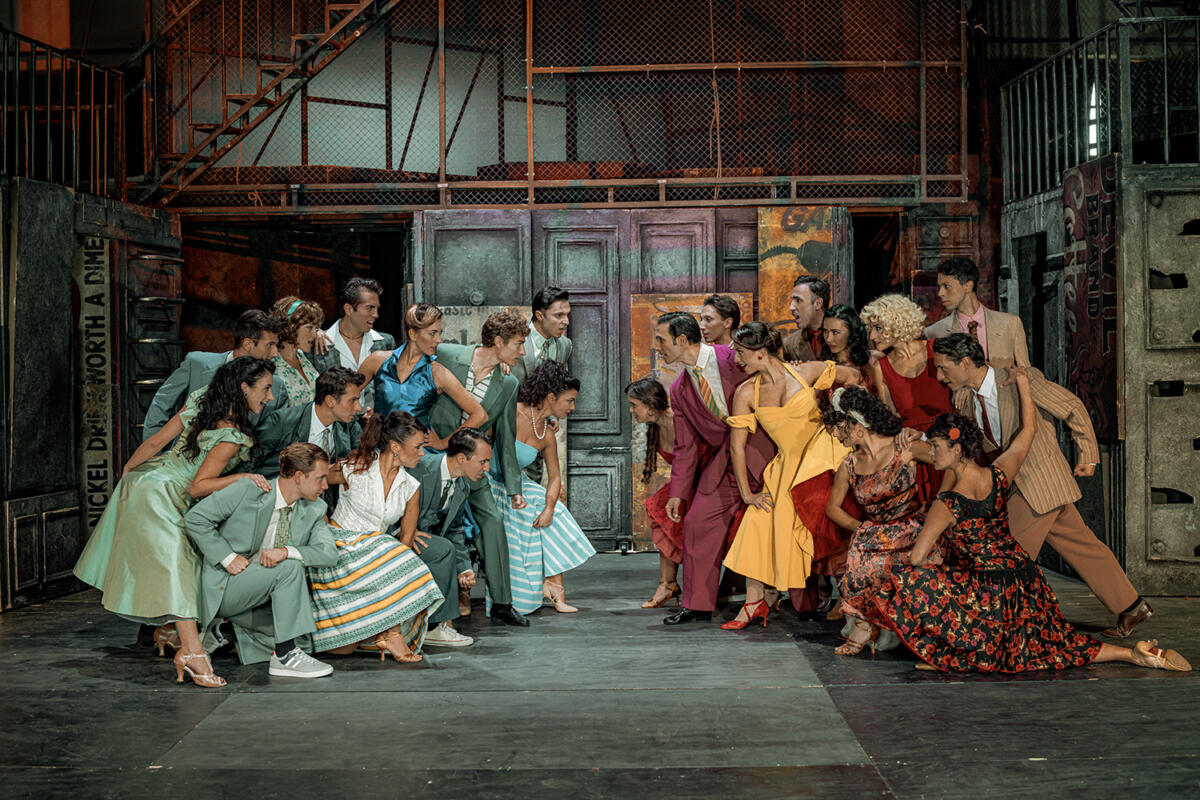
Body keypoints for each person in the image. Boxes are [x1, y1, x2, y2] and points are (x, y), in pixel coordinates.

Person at [865, 380, 1189, 674]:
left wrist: (946, 571)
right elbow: (1029, 431)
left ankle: (949, 654)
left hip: (988, 593)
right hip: (1028, 582)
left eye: (936, 446)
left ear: (957, 449)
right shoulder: (999, 474)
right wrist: (1023, 385)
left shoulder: (946, 503)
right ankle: (1132, 653)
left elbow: (918, 558)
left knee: (904, 579)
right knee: (1057, 643)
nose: (932, 454)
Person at [932, 333, 1154, 639]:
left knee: (1002, 552)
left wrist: (1088, 455)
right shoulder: (965, 400)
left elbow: (1072, 406)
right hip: (1021, 485)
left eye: (943, 368)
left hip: (1039, 479)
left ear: (966, 363)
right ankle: (1131, 606)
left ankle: (991, 625)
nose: (939, 376)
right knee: (1081, 545)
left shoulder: (1021, 379)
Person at [74, 357, 277, 688]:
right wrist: (242, 477)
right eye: (265, 389)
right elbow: (199, 486)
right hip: (164, 496)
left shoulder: (201, 401)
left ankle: (170, 633)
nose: (269, 397)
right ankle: (193, 652)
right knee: (181, 568)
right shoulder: (232, 438)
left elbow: (156, 442)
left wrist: (129, 474)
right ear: (244, 388)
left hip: (149, 482)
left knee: (186, 565)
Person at [721, 323, 854, 630]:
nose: (737, 359)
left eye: (740, 353)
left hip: (823, 457)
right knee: (757, 522)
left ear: (760, 352)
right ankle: (755, 602)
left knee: (828, 525)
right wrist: (747, 494)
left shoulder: (805, 371)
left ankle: (852, 602)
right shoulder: (745, 392)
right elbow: (736, 447)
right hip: (787, 467)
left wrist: (841, 415)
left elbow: (853, 377)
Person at [653, 312, 773, 625]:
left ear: (681, 340)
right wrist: (677, 493)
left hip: (768, 453)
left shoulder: (734, 357)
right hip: (726, 463)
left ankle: (805, 604)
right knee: (697, 521)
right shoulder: (679, 390)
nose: (657, 347)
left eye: (661, 340)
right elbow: (686, 447)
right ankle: (697, 605)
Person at [185, 442, 339, 678]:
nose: (325, 486)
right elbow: (196, 518)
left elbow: (329, 553)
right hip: (228, 585)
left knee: (304, 639)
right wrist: (227, 557)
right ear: (299, 476)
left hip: (264, 596)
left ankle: (227, 632)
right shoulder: (248, 490)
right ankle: (284, 656)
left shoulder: (314, 508)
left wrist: (286, 551)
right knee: (289, 569)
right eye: (320, 478)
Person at [309, 411, 450, 661]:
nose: (422, 453)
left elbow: (405, 542)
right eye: (417, 447)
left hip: (374, 559)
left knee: (399, 553)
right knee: (340, 649)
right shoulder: (355, 467)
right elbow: (310, 481)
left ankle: (388, 631)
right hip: (340, 548)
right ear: (395, 447)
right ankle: (389, 634)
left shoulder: (411, 487)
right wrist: (320, 519)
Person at [821, 386, 942, 655]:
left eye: (840, 428)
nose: (837, 435)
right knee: (861, 546)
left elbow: (951, 461)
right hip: (876, 534)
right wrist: (862, 528)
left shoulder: (903, 448)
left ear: (857, 424)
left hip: (912, 529)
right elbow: (833, 508)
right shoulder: (849, 465)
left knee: (877, 552)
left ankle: (882, 627)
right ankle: (865, 624)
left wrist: (943, 505)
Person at [428, 311, 525, 618]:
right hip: (432, 458)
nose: (523, 351)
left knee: (493, 521)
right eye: (518, 344)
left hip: (472, 467)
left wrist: (514, 488)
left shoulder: (508, 383)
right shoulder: (447, 354)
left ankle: (503, 603)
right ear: (498, 341)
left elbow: (506, 437)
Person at [490, 362, 596, 615]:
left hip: (518, 484)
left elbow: (555, 477)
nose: (572, 407)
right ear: (551, 397)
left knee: (552, 512)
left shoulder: (546, 433)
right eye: (569, 401)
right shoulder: (511, 412)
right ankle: (547, 587)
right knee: (528, 514)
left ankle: (554, 586)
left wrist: (549, 508)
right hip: (489, 482)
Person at [861, 293, 953, 501]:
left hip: (950, 442)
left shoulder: (936, 349)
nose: (872, 336)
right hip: (915, 451)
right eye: (870, 329)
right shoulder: (881, 368)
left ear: (897, 323)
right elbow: (890, 421)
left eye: (878, 328)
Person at [141, 309, 283, 439]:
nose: (275, 353)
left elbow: (270, 439)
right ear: (248, 344)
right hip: (184, 455)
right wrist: (153, 452)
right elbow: (161, 404)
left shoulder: (276, 387)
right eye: (270, 345)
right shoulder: (196, 364)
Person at [360, 302, 486, 445]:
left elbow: (479, 414)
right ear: (413, 334)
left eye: (440, 333)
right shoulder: (377, 360)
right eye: (433, 333)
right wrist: (363, 413)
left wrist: (444, 443)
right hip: (380, 447)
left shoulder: (437, 373)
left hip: (419, 452)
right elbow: (346, 392)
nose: (439, 340)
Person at [408, 429, 497, 631]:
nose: (487, 468)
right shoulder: (420, 468)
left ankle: (440, 625)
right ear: (461, 458)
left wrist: (464, 568)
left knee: (445, 547)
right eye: (483, 462)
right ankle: (438, 626)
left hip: (427, 541)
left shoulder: (462, 485)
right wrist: (405, 531)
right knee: (443, 549)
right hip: (399, 537)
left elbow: (454, 529)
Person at [626, 377, 683, 608]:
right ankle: (667, 583)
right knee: (662, 513)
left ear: (649, 404)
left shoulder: (679, 420)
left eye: (634, 405)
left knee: (667, 513)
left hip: (707, 481)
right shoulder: (656, 428)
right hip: (686, 483)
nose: (631, 411)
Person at [250, 367, 364, 479]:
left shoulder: (350, 424)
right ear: (330, 401)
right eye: (352, 400)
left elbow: (364, 457)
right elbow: (250, 468)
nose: (359, 408)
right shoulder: (281, 422)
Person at [925, 257, 1030, 369]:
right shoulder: (934, 332)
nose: (940, 293)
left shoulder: (1011, 324)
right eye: (939, 287)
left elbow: (1027, 372)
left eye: (946, 286)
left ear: (968, 286)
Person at [312, 277, 396, 410]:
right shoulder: (320, 344)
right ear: (349, 309)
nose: (376, 315)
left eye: (376, 308)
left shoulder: (385, 343)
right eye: (369, 308)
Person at [270, 296, 324, 408]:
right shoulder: (273, 367)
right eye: (309, 327)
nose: (315, 334)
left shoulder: (303, 358)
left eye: (316, 328)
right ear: (289, 327)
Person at [511, 286, 573, 382]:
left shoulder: (565, 345)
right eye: (559, 315)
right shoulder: (513, 340)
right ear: (539, 315)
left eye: (567, 315)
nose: (566, 321)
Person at [819, 303, 876, 395]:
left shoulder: (873, 359)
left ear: (852, 332)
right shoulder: (825, 365)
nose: (828, 339)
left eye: (835, 332)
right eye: (825, 331)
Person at [781, 275, 831, 362]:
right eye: (792, 301)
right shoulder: (789, 344)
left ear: (818, 303)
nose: (791, 307)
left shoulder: (844, 337)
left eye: (798, 300)